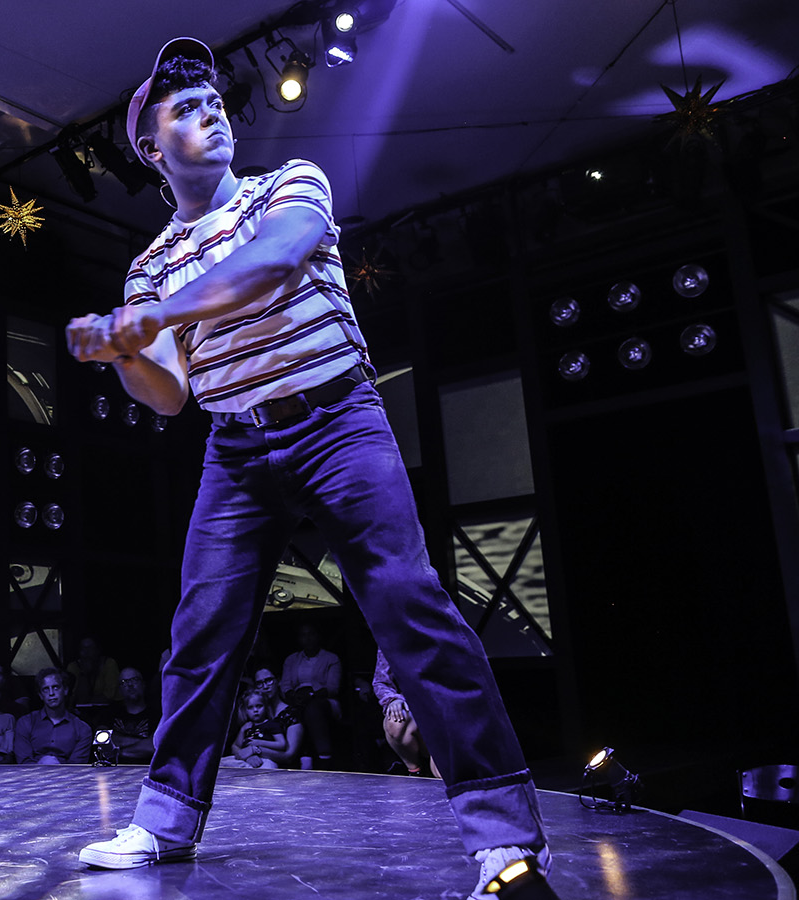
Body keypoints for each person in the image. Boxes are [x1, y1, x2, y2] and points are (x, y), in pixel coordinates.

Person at [68, 38, 554, 897]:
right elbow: (170, 395)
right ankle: (164, 822)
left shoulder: (289, 185)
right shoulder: (151, 265)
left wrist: (152, 319)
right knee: (200, 630)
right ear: (150, 146)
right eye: (187, 108)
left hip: (336, 420)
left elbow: (272, 264)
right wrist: (121, 351)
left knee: (408, 604)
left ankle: (504, 835)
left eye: (214, 101)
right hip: (236, 447)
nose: (212, 112)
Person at [280, 623, 343, 766]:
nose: (307, 638)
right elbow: (285, 686)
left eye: (311, 634)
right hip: (297, 699)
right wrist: (294, 696)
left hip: (324, 700)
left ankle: (324, 758)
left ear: (318, 636)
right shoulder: (291, 660)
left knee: (313, 708)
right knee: (295, 710)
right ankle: (302, 757)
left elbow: (333, 688)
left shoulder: (331, 659)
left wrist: (311, 695)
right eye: (303, 635)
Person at [375, 649, 439, 778]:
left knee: (440, 773)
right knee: (396, 720)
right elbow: (381, 681)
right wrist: (393, 699)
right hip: (415, 706)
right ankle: (415, 772)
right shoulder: (391, 641)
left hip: (446, 709)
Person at [14, 668, 93, 764]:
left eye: (56, 687)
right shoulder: (25, 722)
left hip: (67, 774)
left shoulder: (82, 729)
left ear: (65, 690)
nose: (51, 693)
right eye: (46, 689)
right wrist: (40, 766)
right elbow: (23, 762)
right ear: (40, 695)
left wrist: (57, 767)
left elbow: (77, 767)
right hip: (32, 773)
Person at [221, 678, 302, 770]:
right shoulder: (246, 726)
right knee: (221, 764)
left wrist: (257, 745)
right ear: (245, 710)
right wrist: (247, 755)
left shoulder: (271, 724)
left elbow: (282, 744)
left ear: (266, 707)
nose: (255, 710)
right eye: (250, 707)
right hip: (246, 759)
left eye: (259, 706)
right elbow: (235, 746)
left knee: (267, 769)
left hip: (266, 759)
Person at [93, 667, 159, 765]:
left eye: (134, 679)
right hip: (113, 770)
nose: (130, 685)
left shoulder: (157, 714)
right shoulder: (109, 712)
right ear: (119, 689)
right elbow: (101, 739)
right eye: (124, 682)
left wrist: (116, 752)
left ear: (143, 684)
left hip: (147, 769)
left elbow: (153, 746)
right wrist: (143, 742)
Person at [67, 636, 121, 705]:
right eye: (83, 648)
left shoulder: (108, 663)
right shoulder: (73, 667)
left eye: (90, 648)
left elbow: (110, 695)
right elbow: (73, 696)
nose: (87, 652)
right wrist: (83, 673)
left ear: (97, 650)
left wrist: (88, 701)